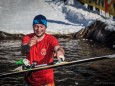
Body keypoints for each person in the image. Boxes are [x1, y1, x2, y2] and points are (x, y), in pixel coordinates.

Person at [21, 14, 65, 86]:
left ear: (45, 27)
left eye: (41, 26)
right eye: (36, 26)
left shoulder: (51, 39)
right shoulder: (27, 38)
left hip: (47, 82)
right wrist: (28, 45)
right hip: (29, 80)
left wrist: (59, 52)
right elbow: (23, 51)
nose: (38, 29)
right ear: (33, 27)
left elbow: (57, 47)